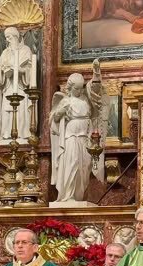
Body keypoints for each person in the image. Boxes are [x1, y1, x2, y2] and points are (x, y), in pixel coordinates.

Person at [50, 60, 105, 203]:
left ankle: (78, 196)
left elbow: (96, 90)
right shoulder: (66, 101)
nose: (80, 91)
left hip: (84, 138)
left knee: (83, 168)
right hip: (71, 137)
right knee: (72, 164)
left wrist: (96, 73)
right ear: (70, 87)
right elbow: (55, 118)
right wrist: (61, 112)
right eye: (77, 89)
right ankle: (68, 195)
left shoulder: (85, 101)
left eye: (81, 88)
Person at [0, 27, 33, 144]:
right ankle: (6, 134)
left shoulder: (26, 50)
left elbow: (30, 69)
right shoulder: (5, 52)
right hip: (8, 86)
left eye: (9, 37)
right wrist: (1, 70)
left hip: (21, 87)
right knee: (7, 111)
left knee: (20, 111)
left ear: (16, 37)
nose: (8, 40)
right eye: (6, 38)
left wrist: (20, 70)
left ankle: (21, 134)